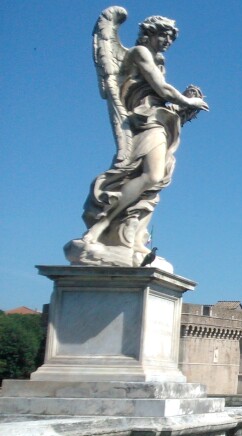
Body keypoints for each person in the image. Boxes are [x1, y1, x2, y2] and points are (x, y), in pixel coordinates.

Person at [74, 9, 209, 267]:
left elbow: (159, 96)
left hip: (158, 121)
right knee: (150, 175)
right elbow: (160, 89)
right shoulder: (139, 53)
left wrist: (182, 110)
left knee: (153, 185)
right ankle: (99, 227)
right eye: (164, 35)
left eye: (171, 37)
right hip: (144, 121)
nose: (168, 41)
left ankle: (132, 237)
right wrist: (187, 99)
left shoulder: (157, 59)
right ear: (149, 33)